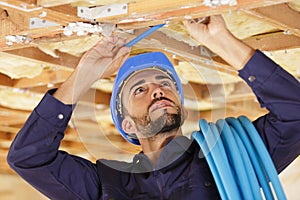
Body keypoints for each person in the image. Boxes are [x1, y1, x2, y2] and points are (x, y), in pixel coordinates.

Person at [7, 15, 300, 199]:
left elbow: (295, 115)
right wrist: (82, 77)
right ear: (128, 126)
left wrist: (221, 42)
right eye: (140, 89)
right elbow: (29, 158)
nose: (158, 88)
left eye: (165, 83)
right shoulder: (107, 183)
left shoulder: (231, 159)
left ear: (183, 112)